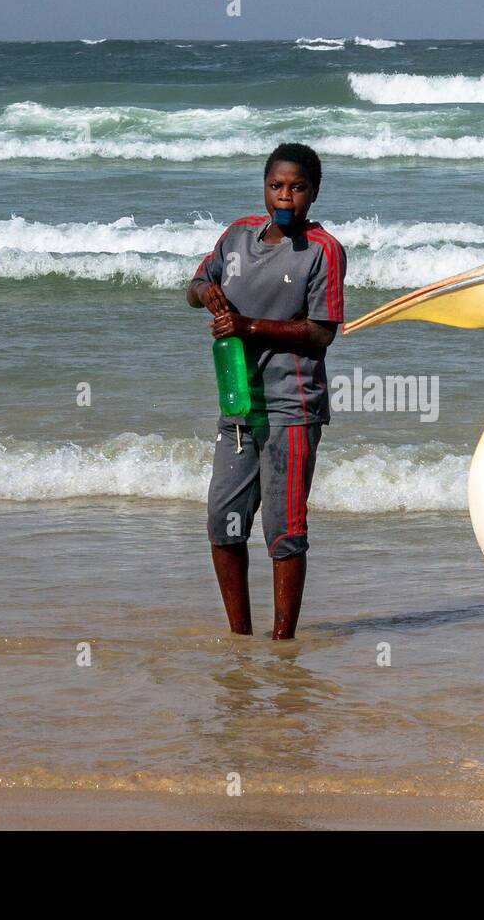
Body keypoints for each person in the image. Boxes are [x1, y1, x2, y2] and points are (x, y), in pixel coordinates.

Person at [187, 143, 346, 640]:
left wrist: (248, 325)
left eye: (297, 188)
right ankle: (240, 638)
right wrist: (204, 293)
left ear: (313, 194)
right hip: (238, 400)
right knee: (223, 521)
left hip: (293, 405)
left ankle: (282, 646)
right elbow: (195, 283)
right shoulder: (236, 236)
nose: (285, 196)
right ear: (264, 187)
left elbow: (322, 332)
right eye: (276, 186)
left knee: (283, 529)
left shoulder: (323, 251)